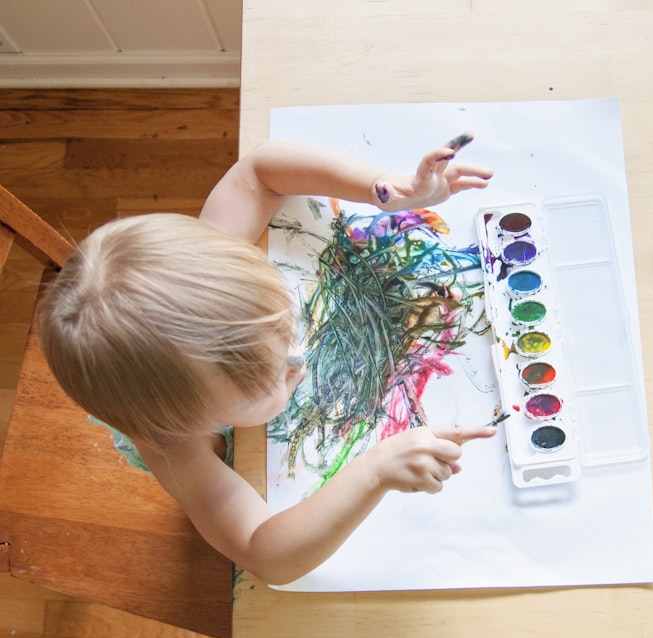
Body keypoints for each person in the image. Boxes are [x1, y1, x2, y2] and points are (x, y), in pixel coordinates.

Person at [37, 136, 496, 585]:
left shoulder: (206, 274)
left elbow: (261, 169)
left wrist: (386, 188)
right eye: (271, 381)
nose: (298, 362)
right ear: (193, 420)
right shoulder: (173, 444)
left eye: (282, 328)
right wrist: (374, 471)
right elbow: (266, 554)